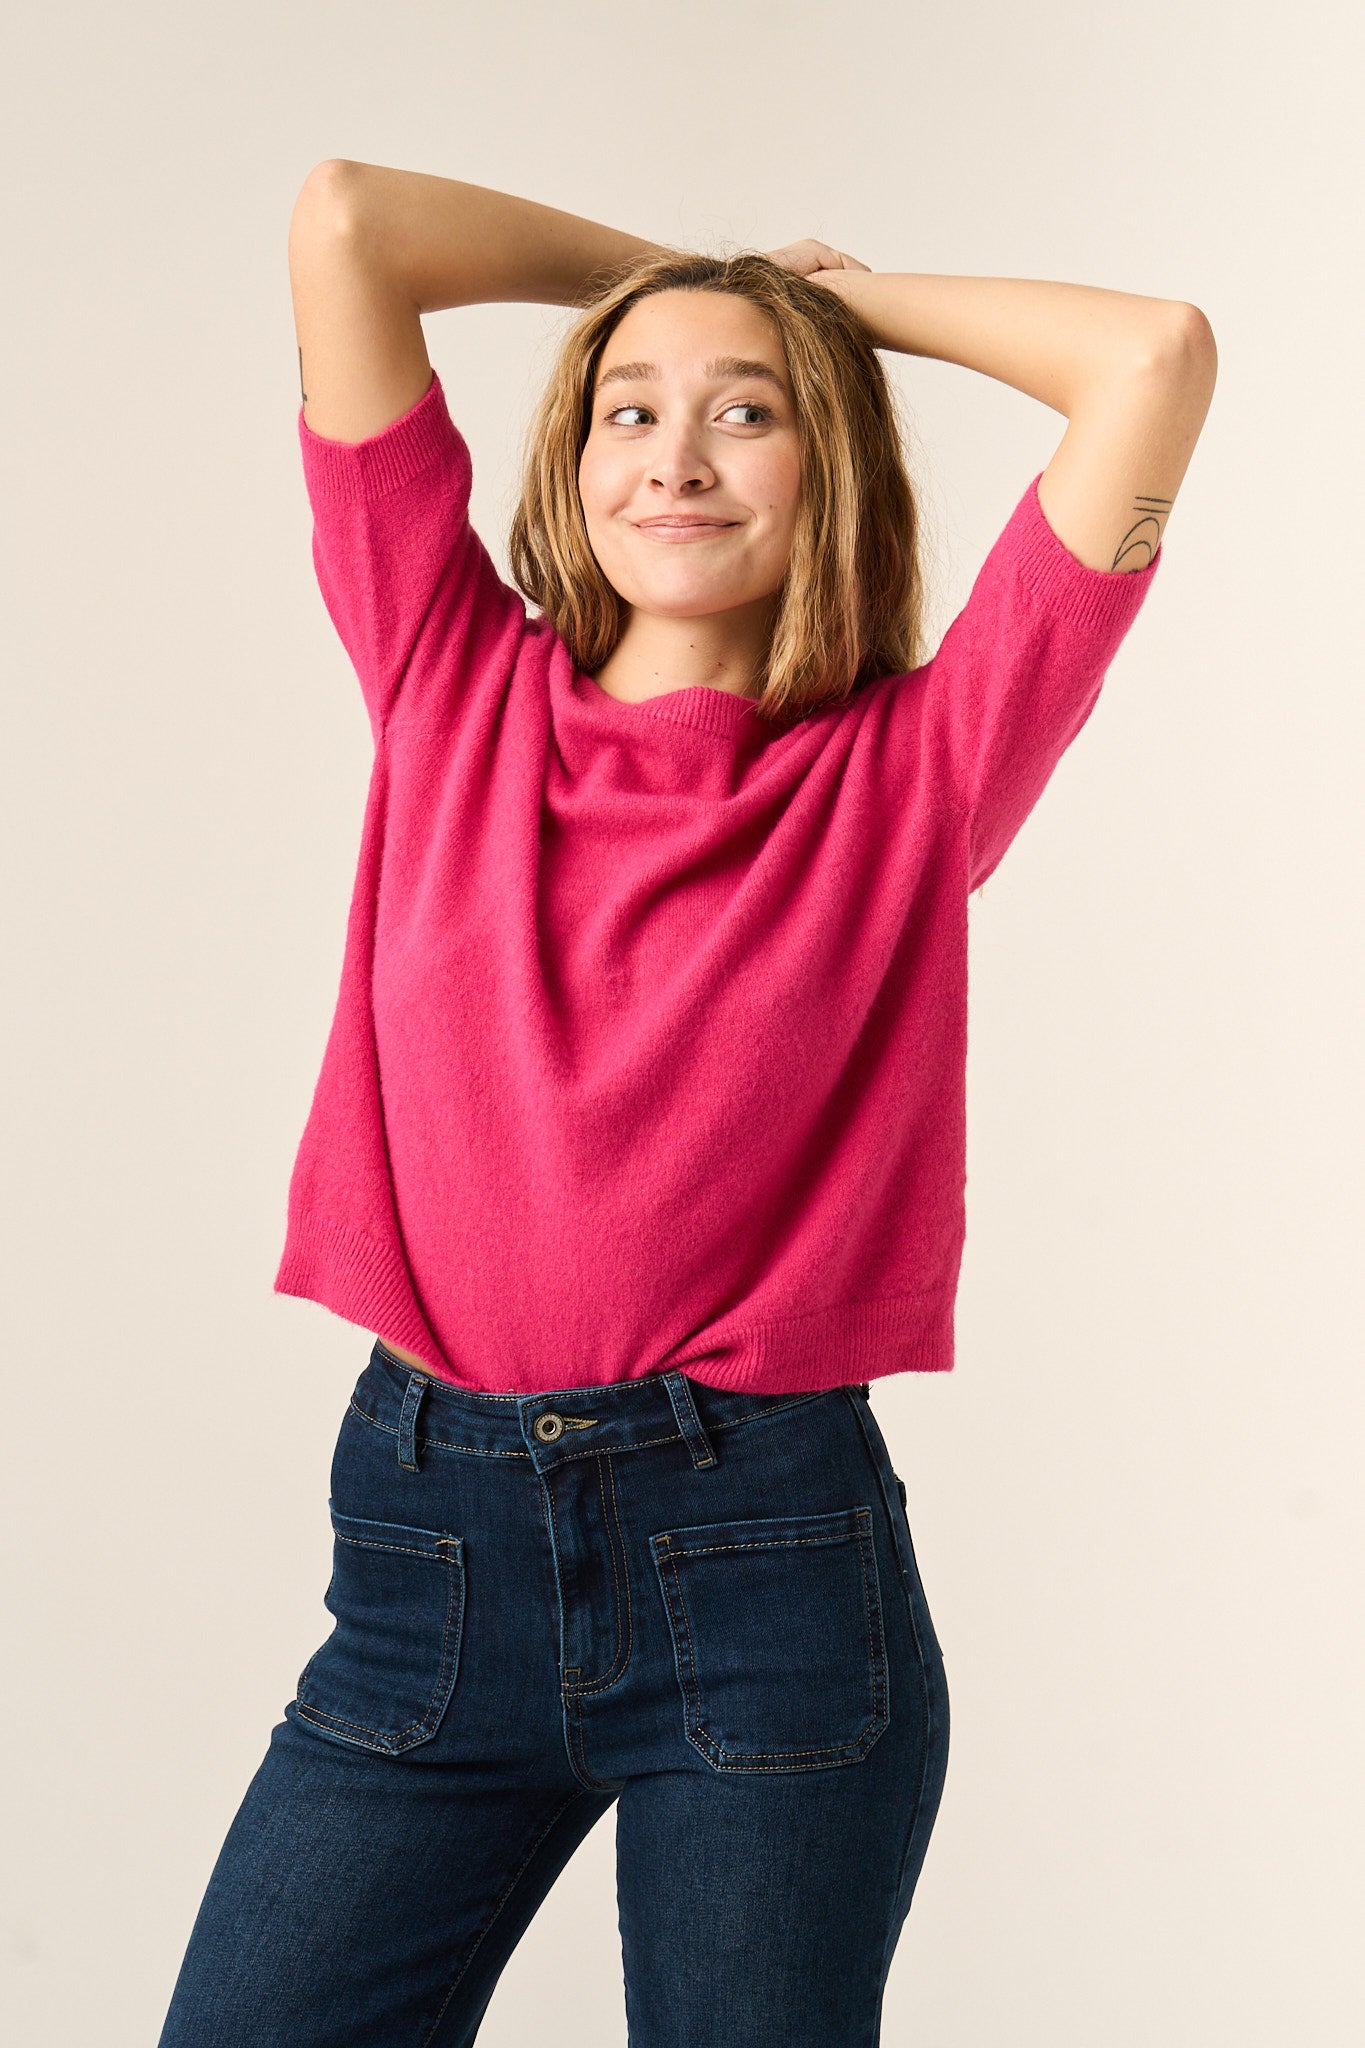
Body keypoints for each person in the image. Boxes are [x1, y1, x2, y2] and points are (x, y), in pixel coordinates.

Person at [157, 163, 1216, 2047]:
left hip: (766, 1582)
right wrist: (688, 280)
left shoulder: (914, 774)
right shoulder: (441, 671)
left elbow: (1151, 355)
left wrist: (831, 308)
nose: (678, 453)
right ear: (569, 462)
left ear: (832, 472)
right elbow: (343, 224)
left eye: (750, 414)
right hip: (429, 1565)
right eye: (630, 409)